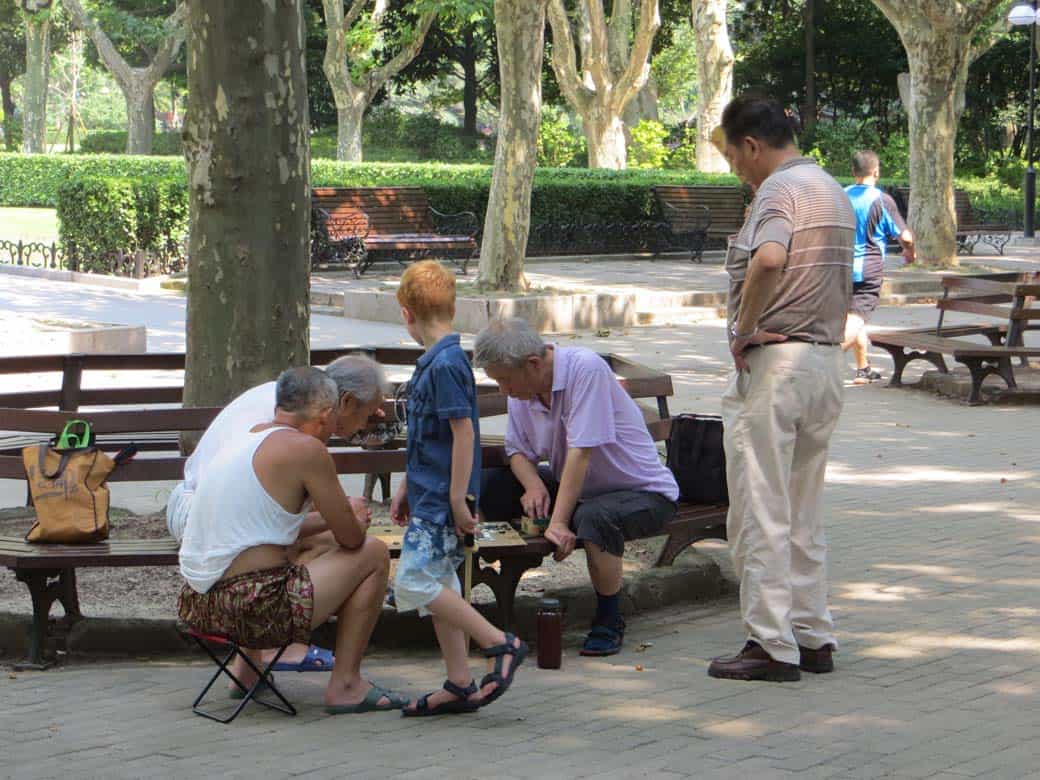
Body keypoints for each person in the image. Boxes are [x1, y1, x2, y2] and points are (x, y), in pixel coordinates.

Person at [709, 94, 856, 682]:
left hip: (780, 364)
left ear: (752, 145)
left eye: (733, 158)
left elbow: (769, 258)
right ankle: (812, 633)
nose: (735, 171)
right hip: (825, 363)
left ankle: (770, 644)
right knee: (803, 510)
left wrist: (743, 329)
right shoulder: (831, 188)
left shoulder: (778, 190)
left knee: (761, 507)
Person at [178, 367, 407, 714]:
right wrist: (355, 517)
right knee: (373, 552)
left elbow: (267, 528)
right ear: (327, 413)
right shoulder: (306, 450)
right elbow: (349, 538)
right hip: (254, 611)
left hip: (198, 606)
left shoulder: (248, 436)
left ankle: (246, 672)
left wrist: (328, 525)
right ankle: (346, 685)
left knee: (308, 543)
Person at [475, 317, 680, 658]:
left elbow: (580, 453)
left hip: (641, 493)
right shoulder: (523, 389)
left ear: (534, 364)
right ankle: (489, 593)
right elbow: (517, 452)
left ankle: (609, 619)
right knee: (489, 484)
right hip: (580, 490)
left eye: (505, 381)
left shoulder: (585, 369)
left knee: (595, 516)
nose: (503, 391)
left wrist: (557, 521)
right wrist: (532, 485)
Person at [390, 261, 527, 716]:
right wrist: (407, 483)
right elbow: (428, 438)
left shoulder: (446, 364)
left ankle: (499, 644)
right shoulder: (439, 361)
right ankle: (460, 681)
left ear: (407, 314)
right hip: (429, 493)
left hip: (441, 501)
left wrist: (455, 498)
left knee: (413, 581)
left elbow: (463, 432)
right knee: (441, 585)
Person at [843, 150, 915, 383]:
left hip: (838, 268)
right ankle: (823, 362)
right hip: (867, 269)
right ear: (876, 171)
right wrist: (910, 251)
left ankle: (863, 369)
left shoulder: (840, 196)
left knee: (853, 317)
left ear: (853, 172)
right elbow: (905, 236)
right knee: (856, 319)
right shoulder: (881, 199)